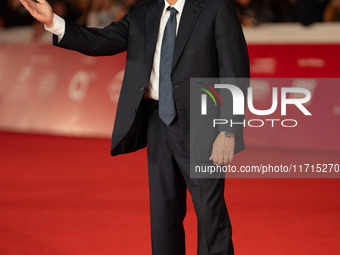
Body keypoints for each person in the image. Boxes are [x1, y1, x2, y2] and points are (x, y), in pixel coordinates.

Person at [19, 0, 249, 254]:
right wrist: (53, 22)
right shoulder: (143, 12)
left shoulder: (215, 7)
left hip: (203, 125)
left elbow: (234, 71)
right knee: (164, 215)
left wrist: (228, 129)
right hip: (157, 122)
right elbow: (102, 40)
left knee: (209, 214)